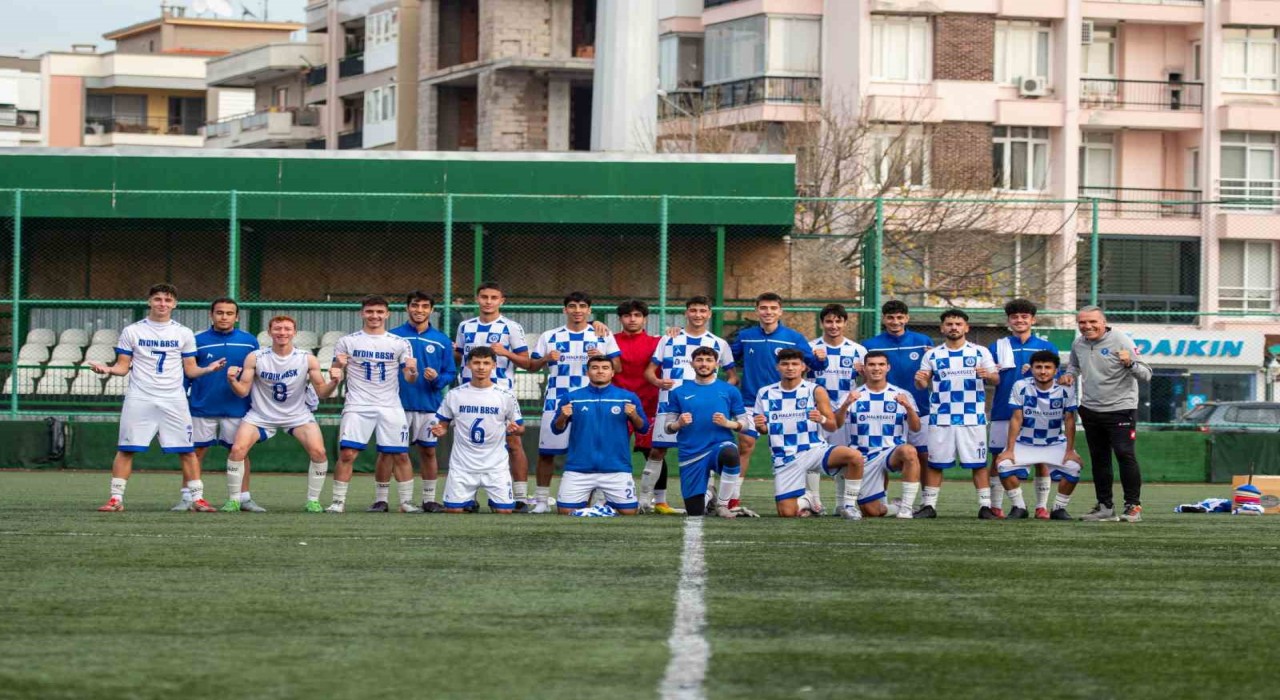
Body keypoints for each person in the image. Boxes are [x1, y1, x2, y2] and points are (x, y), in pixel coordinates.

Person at [92, 284, 227, 512]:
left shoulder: (183, 333)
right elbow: (123, 367)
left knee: (187, 450)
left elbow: (191, 370)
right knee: (127, 448)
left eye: (167, 300)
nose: (162, 304)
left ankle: (197, 499)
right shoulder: (132, 331)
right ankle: (116, 499)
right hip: (140, 397)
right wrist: (107, 370)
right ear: (149, 302)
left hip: (173, 399)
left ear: (174, 304)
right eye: (157, 299)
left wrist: (208, 369)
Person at [223, 315, 340, 512]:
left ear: (294, 333)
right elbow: (243, 390)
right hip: (260, 415)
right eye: (277, 329)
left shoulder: (306, 358)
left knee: (319, 452)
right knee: (237, 450)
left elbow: (322, 392)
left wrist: (334, 382)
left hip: (297, 415)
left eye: (287, 329)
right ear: (269, 333)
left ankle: (313, 500)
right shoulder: (256, 357)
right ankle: (234, 500)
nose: (282, 333)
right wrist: (232, 380)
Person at [529, 291, 621, 513]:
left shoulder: (602, 334)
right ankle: (542, 500)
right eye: (572, 306)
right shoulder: (550, 335)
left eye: (582, 306)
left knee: (591, 450)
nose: (577, 310)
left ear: (589, 310)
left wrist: (602, 356)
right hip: (556, 400)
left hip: (591, 400)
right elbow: (531, 366)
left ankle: (595, 501)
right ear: (565, 310)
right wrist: (545, 359)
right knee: (547, 452)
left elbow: (618, 368)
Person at [644, 295, 736, 512]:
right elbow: (649, 371)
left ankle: (709, 497)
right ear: (686, 313)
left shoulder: (718, 343)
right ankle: (646, 501)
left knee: (708, 451)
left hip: (704, 410)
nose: (698, 315)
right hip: (670, 405)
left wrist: (719, 396)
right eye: (693, 310)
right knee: (657, 451)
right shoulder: (669, 339)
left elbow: (732, 377)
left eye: (702, 311)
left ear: (709, 314)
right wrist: (658, 381)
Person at [326, 295, 418, 513]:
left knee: (401, 454)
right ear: (362, 313)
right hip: (358, 405)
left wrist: (413, 370)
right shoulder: (347, 341)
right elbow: (335, 373)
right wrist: (337, 367)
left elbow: (409, 378)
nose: (374, 316)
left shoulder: (399, 343)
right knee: (348, 454)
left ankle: (406, 502)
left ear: (387, 314)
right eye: (370, 311)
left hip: (390, 405)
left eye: (379, 312)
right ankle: (338, 502)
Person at [1060, 305, 1152, 522]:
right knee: (1099, 459)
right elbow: (1073, 366)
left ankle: (1133, 507)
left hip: (1121, 409)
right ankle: (1104, 506)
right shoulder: (1078, 343)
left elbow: (1146, 374)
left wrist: (1129, 363)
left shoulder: (1121, 340)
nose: (1087, 326)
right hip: (1091, 409)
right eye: (1082, 322)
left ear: (1103, 322)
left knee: (1123, 453)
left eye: (1092, 322)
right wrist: (1068, 375)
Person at [731, 292, 819, 517]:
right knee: (745, 444)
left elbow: (812, 363)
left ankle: (810, 498)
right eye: (763, 308)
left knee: (799, 449)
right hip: (751, 401)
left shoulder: (794, 337)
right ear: (756, 310)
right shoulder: (745, 336)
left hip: (789, 404)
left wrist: (821, 357)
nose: (768, 312)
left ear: (780, 311)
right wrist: (732, 376)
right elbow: (725, 357)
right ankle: (732, 499)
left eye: (772, 308)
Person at [752, 349, 866, 519]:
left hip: (814, 450)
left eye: (794, 364)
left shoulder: (815, 390)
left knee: (855, 457)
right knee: (786, 513)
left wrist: (821, 419)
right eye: (785, 364)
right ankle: (808, 499)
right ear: (778, 367)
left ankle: (848, 505)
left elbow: (833, 426)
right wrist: (760, 426)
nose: (790, 368)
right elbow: (764, 430)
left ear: (803, 367)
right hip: (785, 457)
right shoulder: (765, 393)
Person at [370, 292, 458, 513]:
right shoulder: (392, 337)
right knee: (388, 452)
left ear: (431, 310)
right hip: (396, 405)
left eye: (425, 306)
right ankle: (381, 499)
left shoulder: (441, 340)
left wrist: (437, 379)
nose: (419, 310)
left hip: (429, 405)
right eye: (415, 306)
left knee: (428, 452)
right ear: (407, 308)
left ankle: (429, 499)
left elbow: (450, 372)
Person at [913, 309, 999, 519]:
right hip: (941, 417)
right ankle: (929, 506)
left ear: (966, 328)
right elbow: (922, 385)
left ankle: (985, 506)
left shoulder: (980, 352)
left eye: (958, 324)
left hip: (972, 417)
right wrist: (920, 380)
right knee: (935, 463)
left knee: (978, 463)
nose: (954, 327)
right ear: (942, 328)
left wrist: (988, 375)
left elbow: (996, 379)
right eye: (949, 324)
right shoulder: (932, 354)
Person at [455, 282, 532, 511]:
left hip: (501, 393)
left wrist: (505, 352)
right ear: (477, 299)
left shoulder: (511, 327)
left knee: (513, 441)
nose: (488, 301)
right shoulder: (465, 326)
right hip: (469, 394)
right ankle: (468, 498)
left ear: (501, 301)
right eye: (484, 297)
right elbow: (458, 355)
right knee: (468, 444)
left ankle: (520, 497)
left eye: (493, 297)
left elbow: (527, 362)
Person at [182, 297, 260, 511]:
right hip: (202, 406)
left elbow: (256, 374)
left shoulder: (249, 341)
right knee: (194, 453)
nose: (224, 317)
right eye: (219, 312)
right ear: (211, 315)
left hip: (237, 407)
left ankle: (243, 498)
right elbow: (187, 374)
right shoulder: (196, 340)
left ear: (237, 317)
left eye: (229, 313)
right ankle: (189, 497)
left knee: (240, 453)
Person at [986, 298, 1058, 518]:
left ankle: (1041, 506)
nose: (1019, 320)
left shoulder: (1046, 346)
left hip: (1040, 412)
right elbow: (990, 378)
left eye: (1024, 317)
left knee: (1041, 459)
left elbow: (1058, 376)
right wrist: (989, 374)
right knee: (998, 458)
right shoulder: (997, 346)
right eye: (1015, 317)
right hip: (1003, 410)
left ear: (1032, 320)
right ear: (1008, 320)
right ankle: (996, 505)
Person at [431, 347, 525, 514]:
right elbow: (443, 425)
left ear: (494, 366)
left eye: (486, 363)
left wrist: (515, 429)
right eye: (476, 363)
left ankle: (491, 502)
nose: (481, 367)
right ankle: (467, 501)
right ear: (468, 365)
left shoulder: (505, 396)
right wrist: (440, 430)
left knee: (504, 512)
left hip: (496, 466)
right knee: (453, 511)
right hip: (462, 466)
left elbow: (520, 427)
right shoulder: (455, 394)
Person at [551, 356, 647, 515]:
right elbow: (556, 429)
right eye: (595, 368)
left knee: (629, 513)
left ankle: (602, 503)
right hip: (579, 468)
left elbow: (643, 428)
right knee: (565, 511)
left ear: (612, 372)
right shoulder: (572, 398)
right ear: (587, 372)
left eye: (605, 368)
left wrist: (634, 415)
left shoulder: (627, 397)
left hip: (616, 468)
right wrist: (563, 416)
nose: (600, 371)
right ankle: (601, 505)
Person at [994, 350, 1083, 520]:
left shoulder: (1065, 389)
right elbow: (1016, 418)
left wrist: (1070, 450)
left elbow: (1069, 421)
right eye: (1038, 367)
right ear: (1032, 369)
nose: (1043, 371)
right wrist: (1009, 449)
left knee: (1074, 468)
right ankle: (1019, 506)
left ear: (1056, 370)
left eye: (1048, 367)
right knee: (1003, 464)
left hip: (1054, 442)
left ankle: (1059, 508)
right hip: (1025, 441)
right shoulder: (1021, 386)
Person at [664, 346, 748, 518]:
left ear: (716, 364)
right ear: (692, 364)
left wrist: (728, 423)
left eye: (709, 360)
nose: (704, 364)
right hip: (691, 453)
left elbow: (745, 424)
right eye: (699, 360)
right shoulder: (679, 392)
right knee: (694, 512)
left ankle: (723, 505)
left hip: (719, 445)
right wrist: (678, 424)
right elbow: (667, 427)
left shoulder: (729, 390)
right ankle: (709, 493)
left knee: (731, 454)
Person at [834, 351, 920, 519]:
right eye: (871, 364)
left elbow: (916, 428)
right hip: (863, 456)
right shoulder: (852, 395)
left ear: (888, 368)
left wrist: (908, 407)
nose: (876, 368)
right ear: (864, 368)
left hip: (891, 452)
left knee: (909, 451)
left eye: (881, 364)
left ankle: (906, 508)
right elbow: (836, 424)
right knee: (871, 511)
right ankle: (896, 507)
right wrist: (846, 404)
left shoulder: (901, 394)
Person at [610, 299, 676, 513]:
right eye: (627, 315)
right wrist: (594, 324)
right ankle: (608, 498)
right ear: (620, 319)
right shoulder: (609, 340)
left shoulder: (658, 342)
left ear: (644, 319)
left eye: (637, 315)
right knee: (613, 452)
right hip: (617, 407)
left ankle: (661, 502)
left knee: (654, 452)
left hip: (649, 405)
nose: (632, 319)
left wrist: (677, 331)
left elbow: (686, 341)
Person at [862, 300, 934, 478]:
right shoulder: (870, 345)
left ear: (907, 318)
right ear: (884, 319)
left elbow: (932, 372)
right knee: (880, 454)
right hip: (883, 410)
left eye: (900, 317)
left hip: (920, 408)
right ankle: (881, 500)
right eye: (891, 318)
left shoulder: (923, 341)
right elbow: (867, 374)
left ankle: (925, 503)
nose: (895, 322)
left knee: (923, 455)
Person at [808, 303, 866, 514]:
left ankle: (842, 504)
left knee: (843, 455)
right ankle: (815, 502)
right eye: (829, 321)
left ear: (845, 323)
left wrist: (864, 373)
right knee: (812, 455)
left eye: (838, 321)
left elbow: (870, 380)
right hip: (816, 410)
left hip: (844, 411)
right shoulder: (811, 347)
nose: (833, 325)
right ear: (822, 323)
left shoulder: (858, 350)